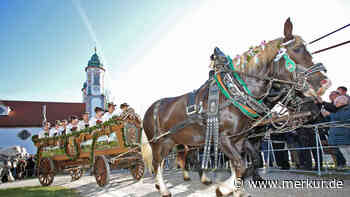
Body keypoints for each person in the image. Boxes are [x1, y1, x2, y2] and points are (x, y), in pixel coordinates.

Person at [322, 95, 349, 168]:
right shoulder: (336, 111)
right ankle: (341, 166)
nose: (335, 103)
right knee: (339, 153)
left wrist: (330, 114)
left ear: (343, 102)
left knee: (347, 154)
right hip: (335, 136)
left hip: (344, 136)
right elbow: (330, 121)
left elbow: (343, 118)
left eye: (337, 102)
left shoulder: (347, 109)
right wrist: (325, 116)